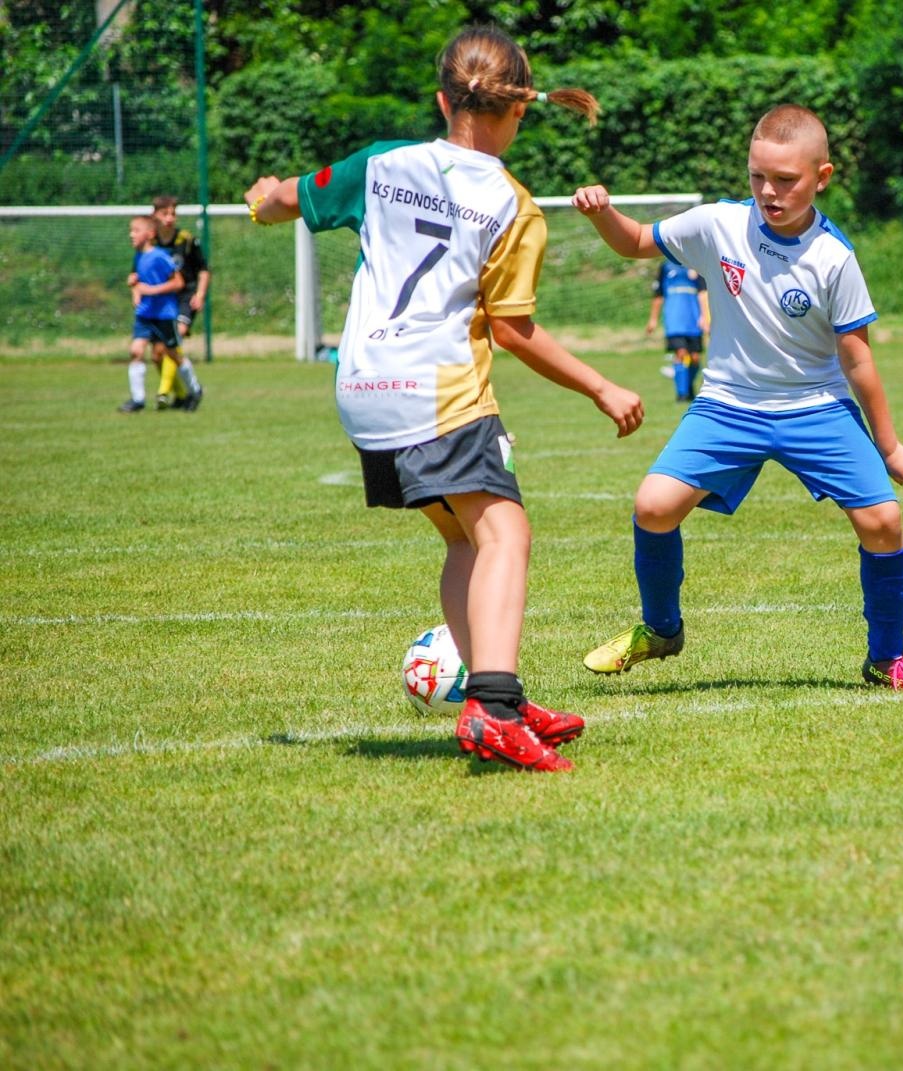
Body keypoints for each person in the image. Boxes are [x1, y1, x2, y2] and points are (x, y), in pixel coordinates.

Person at [243, 25, 644, 772]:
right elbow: (514, 332)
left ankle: (499, 698)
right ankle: (494, 706)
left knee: (466, 535)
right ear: (518, 110)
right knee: (506, 534)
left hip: (364, 386)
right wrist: (601, 384)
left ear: (442, 99)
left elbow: (283, 199)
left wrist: (262, 200)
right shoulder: (513, 205)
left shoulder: (383, 163)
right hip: (439, 388)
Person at [572, 103, 903, 692]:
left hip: (816, 406)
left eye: (785, 180)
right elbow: (638, 241)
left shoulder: (833, 257)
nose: (768, 191)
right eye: (757, 177)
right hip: (728, 404)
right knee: (653, 506)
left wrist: (890, 447)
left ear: (821, 178)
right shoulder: (717, 224)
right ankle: (661, 629)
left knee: (884, 522)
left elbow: (858, 359)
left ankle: (887, 659)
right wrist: (603, 214)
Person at [118, 215, 185, 413]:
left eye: (135, 231)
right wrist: (135, 288)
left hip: (164, 313)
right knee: (136, 351)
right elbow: (139, 281)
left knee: (165, 355)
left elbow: (177, 282)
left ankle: (192, 391)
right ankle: (138, 400)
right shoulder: (138, 256)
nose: (131, 235)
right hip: (145, 314)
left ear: (150, 234)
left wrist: (149, 290)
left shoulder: (160, 255)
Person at [151, 195, 208, 410]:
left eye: (173, 214)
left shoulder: (186, 240)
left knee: (175, 339)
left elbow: (203, 269)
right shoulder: (151, 243)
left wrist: (200, 294)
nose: (169, 218)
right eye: (165, 214)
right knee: (158, 355)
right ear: (155, 215)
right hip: (160, 300)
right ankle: (183, 394)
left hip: (185, 297)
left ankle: (164, 392)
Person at [647, 260, 709, 401]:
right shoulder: (666, 267)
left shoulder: (696, 262)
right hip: (674, 320)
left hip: (693, 320)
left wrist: (705, 316)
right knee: (680, 353)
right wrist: (653, 319)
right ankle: (682, 394)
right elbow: (658, 295)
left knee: (694, 358)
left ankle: (688, 387)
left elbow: (702, 293)